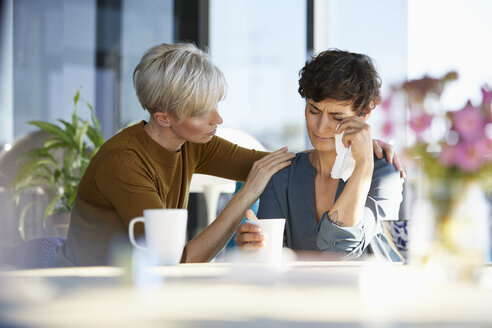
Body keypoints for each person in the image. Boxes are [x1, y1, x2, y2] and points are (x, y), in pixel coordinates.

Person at [55, 43, 402, 266]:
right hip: (92, 287)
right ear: (164, 118)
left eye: (216, 106)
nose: (218, 120)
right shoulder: (124, 163)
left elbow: (277, 165)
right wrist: (247, 195)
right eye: (203, 112)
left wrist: (363, 153)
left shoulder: (190, 143)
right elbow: (178, 265)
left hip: (143, 281)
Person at [235, 49, 404, 261]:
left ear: (364, 115)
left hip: (367, 293)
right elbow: (271, 259)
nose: (321, 127)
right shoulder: (282, 176)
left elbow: (341, 250)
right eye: (313, 110)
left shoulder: (383, 172)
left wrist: (363, 168)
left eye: (337, 117)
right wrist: (253, 246)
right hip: (298, 292)